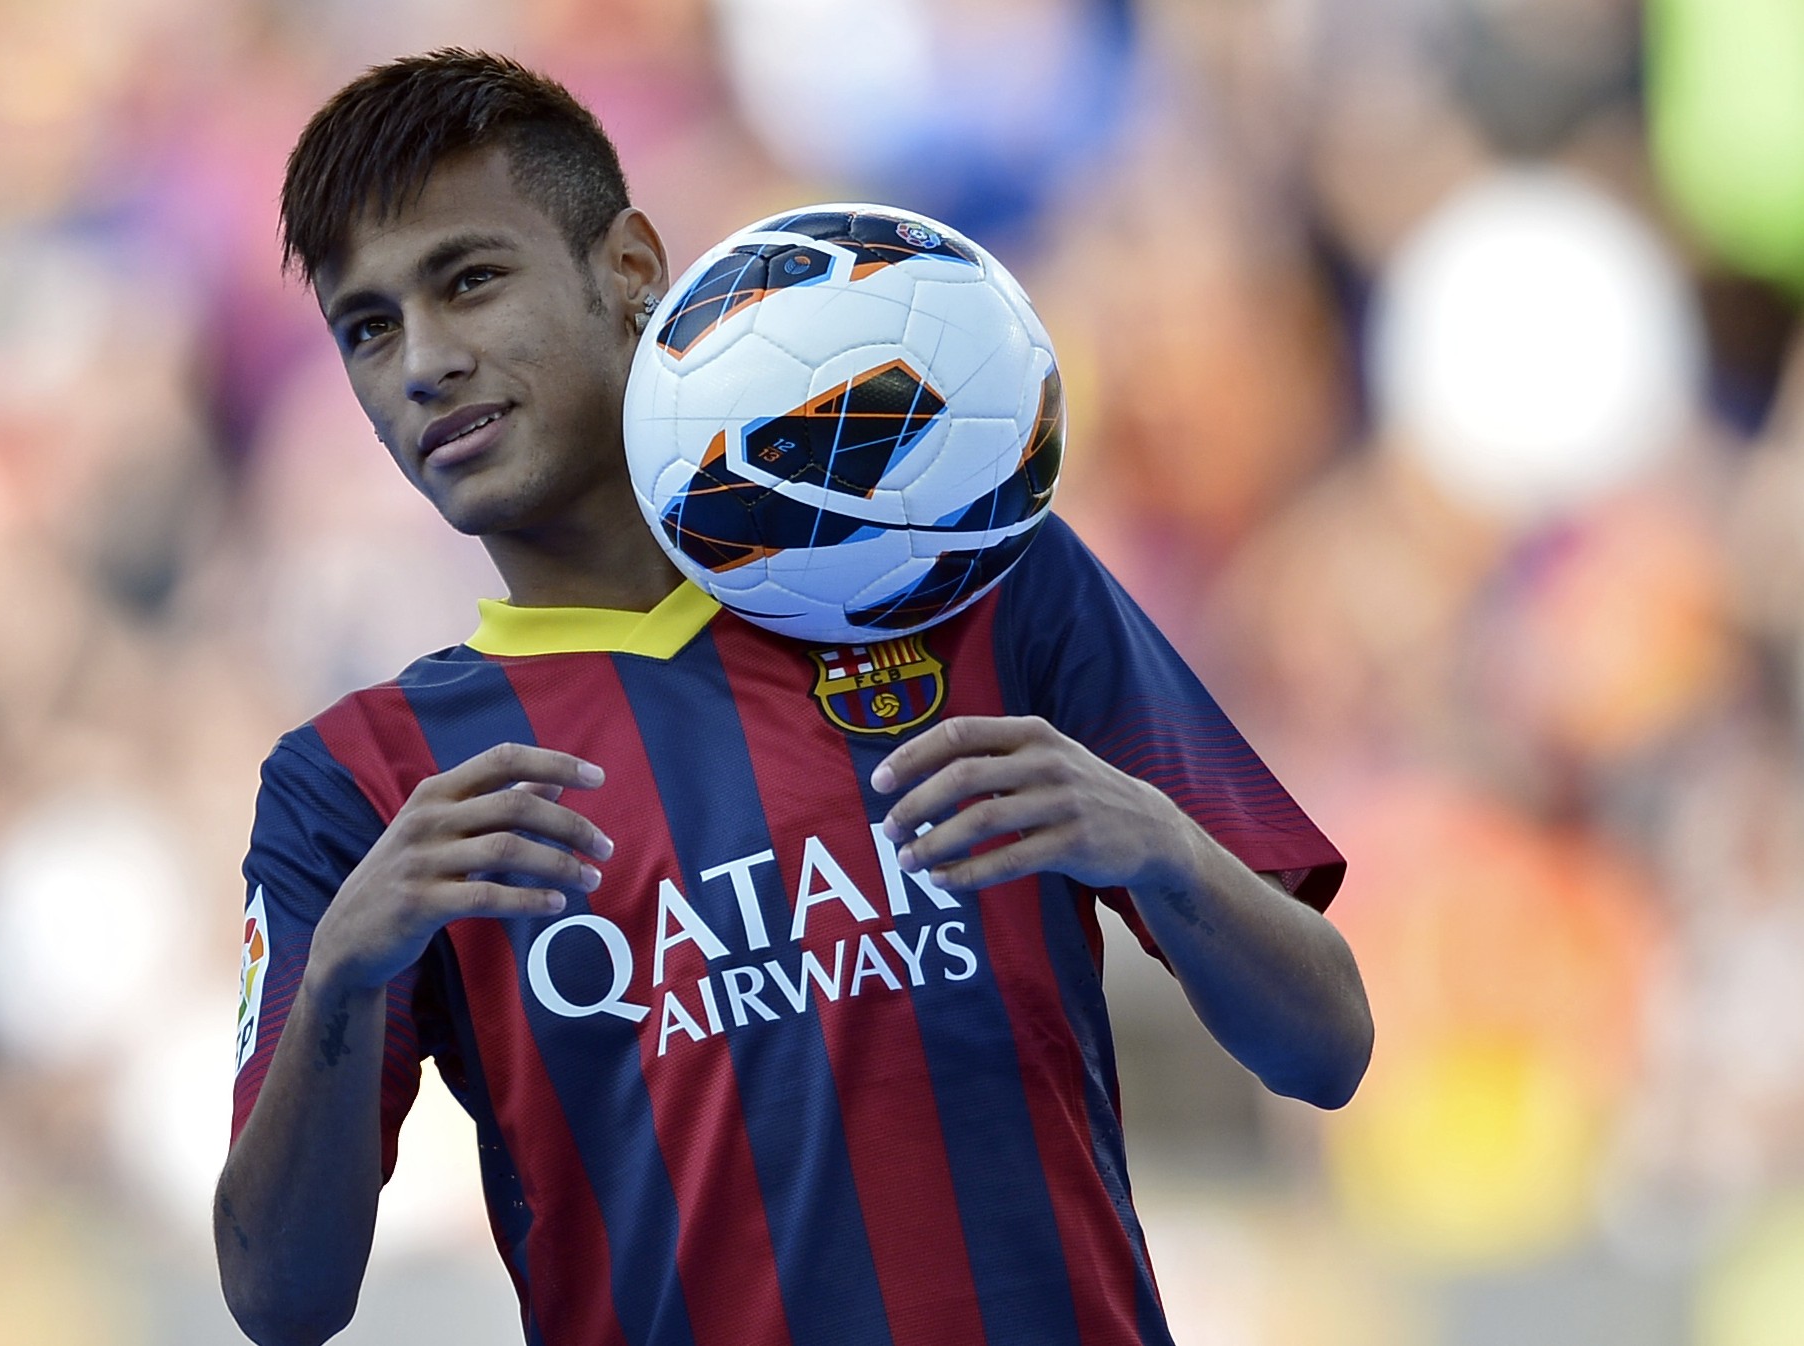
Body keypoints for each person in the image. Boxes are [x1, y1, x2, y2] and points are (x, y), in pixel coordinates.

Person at [214, 49, 1372, 1346]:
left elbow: (1325, 1046)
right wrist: (343, 982)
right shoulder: (357, 785)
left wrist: (1161, 847)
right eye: (368, 326)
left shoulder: (960, 562)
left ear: (632, 271)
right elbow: (278, 1300)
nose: (423, 361)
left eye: (468, 280)